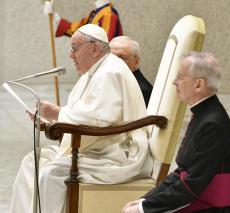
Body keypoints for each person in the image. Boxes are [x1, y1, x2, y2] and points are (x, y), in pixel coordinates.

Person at [9, 24, 152, 213]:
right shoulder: (94, 71)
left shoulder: (110, 71)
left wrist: (57, 114)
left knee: (51, 175)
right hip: (97, 148)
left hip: (114, 154)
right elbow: (84, 113)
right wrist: (53, 123)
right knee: (31, 161)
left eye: (75, 48)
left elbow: (100, 120)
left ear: (94, 49)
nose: (71, 55)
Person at [122, 52, 230, 213]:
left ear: (198, 84)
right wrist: (144, 200)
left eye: (181, 77)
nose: (175, 82)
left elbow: (191, 184)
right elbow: (181, 173)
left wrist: (144, 208)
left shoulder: (212, 123)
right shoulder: (203, 113)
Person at [44, 0, 123, 41]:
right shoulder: (96, 13)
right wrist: (54, 15)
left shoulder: (108, 14)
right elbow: (78, 31)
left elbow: (104, 43)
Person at [110, 36, 153, 107]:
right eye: (111, 57)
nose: (115, 62)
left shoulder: (141, 90)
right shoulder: (112, 80)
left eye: (122, 58)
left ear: (136, 61)